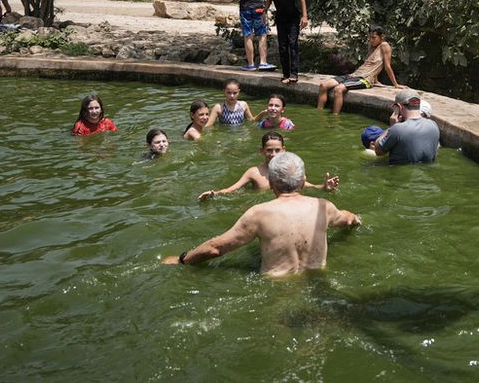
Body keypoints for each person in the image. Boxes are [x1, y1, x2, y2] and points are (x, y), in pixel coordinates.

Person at [168, 152, 359, 276]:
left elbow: (215, 249)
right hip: (317, 280)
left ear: (271, 184)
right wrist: (357, 220)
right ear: (303, 182)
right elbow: (348, 219)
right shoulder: (322, 207)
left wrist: (182, 259)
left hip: (276, 289)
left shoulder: (258, 214)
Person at [198, 132, 338, 200]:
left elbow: (308, 186)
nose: (273, 154)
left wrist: (324, 188)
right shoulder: (254, 172)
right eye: (269, 150)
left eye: (277, 150)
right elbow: (232, 189)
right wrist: (214, 194)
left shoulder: (289, 169)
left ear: (284, 150)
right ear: (262, 151)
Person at [317, 26, 406, 115]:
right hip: (354, 75)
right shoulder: (371, 47)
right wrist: (376, 80)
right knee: (323, 85)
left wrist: (396, 84)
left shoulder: (384, 45)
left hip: (364, 79)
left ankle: (334, 118)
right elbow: (372, 65)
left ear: (382, 37)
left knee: (338, 89)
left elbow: (387, 66)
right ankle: (318, 113)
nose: (371, 40)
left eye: (374, 38)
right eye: (369, 38)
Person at [265, 0, 308, 84]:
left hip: (293, 17)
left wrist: (304, 16)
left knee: (292, 43)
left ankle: (294, 73)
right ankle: (285, 74)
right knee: (283, 46)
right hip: (281, 18)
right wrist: (265, 10)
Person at [372, 90, 440, 165]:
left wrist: (391, 126)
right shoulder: (433, 125)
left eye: (394, 107)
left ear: (400, 107)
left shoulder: (397, 129)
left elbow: (378, 151)